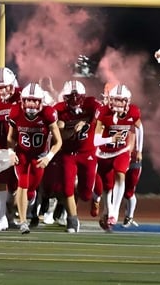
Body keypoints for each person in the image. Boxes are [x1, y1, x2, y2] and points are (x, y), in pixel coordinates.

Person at [7, 82, 62, 234]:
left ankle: (29, 203)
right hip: (22, 153)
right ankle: (23, 222)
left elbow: (58, 141)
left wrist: (49, 157)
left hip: (40, 155)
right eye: (28, 100)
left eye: (35, 100)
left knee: (31, 189)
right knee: (22, 184)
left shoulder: (48, 113)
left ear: (41, 101)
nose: (31, 104)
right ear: (22, 100)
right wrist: (11, 152)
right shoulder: (15, 112)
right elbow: (11, 137)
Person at [54, 80, 102, 233]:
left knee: (86, 193)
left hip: (88, 153)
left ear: (83, 96)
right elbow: (58, 133)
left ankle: (95, 198)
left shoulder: (92, 105)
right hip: (69, 154)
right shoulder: (59, 110)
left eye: (77, 97)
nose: (75, 101)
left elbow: (100, 117)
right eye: (71, 97)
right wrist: (69, 131)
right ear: (65, 98)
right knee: (68, 188)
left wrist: (86, 124)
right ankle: (72, 220)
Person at [93, 84, 143, 231]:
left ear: (127, 101)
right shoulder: (103, 112)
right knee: (107, 187)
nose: (118, 104)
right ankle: (108, 212)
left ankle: (114, 212)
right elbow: (96, 141)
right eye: (115, 100)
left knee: (120, 174)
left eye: (121, 101)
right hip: (103, 153)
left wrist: (139, 150)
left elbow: (140, 128)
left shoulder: (133, 112)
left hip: (122, 151)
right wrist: (110, 139)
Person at [0, 67, 21, 231]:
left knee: (21, 186)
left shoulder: (23, 96)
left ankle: (11, 214)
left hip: (22, 145)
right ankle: (1, 219)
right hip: (2, 144)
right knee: (0, 180)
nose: (3, 90)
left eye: (6, 86)